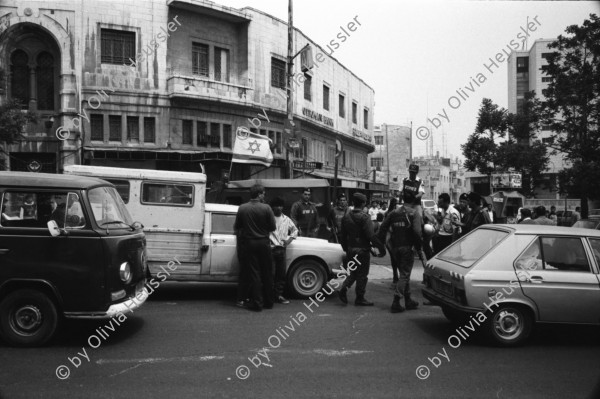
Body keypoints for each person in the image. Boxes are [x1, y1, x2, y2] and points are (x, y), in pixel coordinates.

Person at [378, 191, 423, 313]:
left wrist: (381, 244)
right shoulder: (414, 213)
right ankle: (396, 300)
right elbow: (417, 232)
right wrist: (418, 246)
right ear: (413, 201)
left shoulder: (393, 213)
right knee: (405, 274)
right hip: (407, 248)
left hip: (395, 248)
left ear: (402, 199)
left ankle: (408, 300)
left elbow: (383, 228)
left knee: (403, 273)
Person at [234, 184, 276, 311]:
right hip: (264, 242)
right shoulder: (267, 208)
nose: (264, 195)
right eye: (263, 193)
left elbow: (238, 226)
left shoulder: (242, 208)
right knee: (267, 272)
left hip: (249, 243)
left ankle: (257, 302)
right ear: (259, 194)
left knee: (254, 273)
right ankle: (269, 301)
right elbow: (273, 227)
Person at [338, 193, 386, 306]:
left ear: (353, 203)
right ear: (363, 203)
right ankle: (360, 298)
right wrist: (380, 248)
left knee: (353, 272)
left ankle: (344, 288)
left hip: (351, 249)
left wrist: (346, 248)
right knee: (362, 275)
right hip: (362, 250)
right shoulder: (365, 217)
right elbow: (371, 236)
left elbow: (343, 236)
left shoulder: (346, 217)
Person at [269, 196, 298, 305]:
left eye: (281, 206)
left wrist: (288, 240)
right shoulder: (269, 218)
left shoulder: (286, 219)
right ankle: (269, 295)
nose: (279, 208)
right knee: (270, 274)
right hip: (271, 249)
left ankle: (279, 295)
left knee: (281, 274)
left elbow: (295, 230)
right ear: (272, 207)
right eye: (277, 206)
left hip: (281, 250)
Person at [384, 197, 399, 285]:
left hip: (391, 237)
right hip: (392, 237)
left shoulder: (390, 213)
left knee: (394, 259)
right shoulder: (391, 213)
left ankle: (395, 277)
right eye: (396, 203)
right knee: (395, 259)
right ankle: (396, 277)